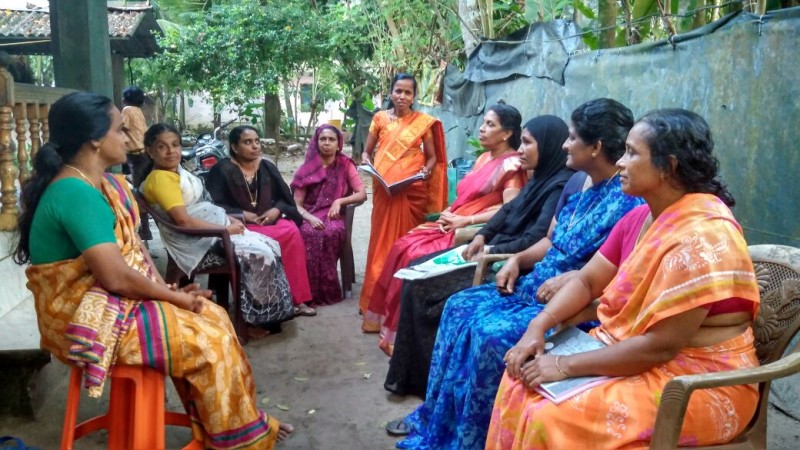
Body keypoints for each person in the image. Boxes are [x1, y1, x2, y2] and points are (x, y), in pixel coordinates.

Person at [15, 92, 293, 448]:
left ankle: (233, 425)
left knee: (215, 317)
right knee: (208, 339)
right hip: (83, 319)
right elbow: (116, 276)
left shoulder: (103, 184)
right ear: (95, 140)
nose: (129, 138)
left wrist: (169, 291)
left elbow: (134, 255)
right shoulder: (76, 193)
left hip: (108, 301)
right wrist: (173, 297)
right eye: (120, 130)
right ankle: (236, 436)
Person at [486, 109, 760, 449]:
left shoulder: (700, 238)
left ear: (668, 166)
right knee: (517, 380)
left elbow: (660, 346)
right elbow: (586, 282)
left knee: (553, 416)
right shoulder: (641, 217)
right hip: (640, 355)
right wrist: (538, 327)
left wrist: (564, 365)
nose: (620, 163)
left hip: (698, 381)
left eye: (631, 153)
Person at [392, 99, 643, 450]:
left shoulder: (630, 201)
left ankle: (474, 439)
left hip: (569, 304)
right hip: (533, 284)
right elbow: (551, 241)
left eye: (572, 138)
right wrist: (518, 260)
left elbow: (622, 278)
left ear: (596, 147)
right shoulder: (578, 184)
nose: (565, 145)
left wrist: (570, 278)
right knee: (457, 308)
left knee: (490, 336)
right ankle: (439, 420)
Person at [383, 113, 575, 399]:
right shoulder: (539, 178)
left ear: (546, 145)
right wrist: (482, 235)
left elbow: (535, 238)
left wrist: (490, 251)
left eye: (527, 143)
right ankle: (409, 375)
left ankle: (424, 382)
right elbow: (508, 210)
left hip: (508, 263)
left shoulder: (558, 186)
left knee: (426, 290)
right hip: (493, 249)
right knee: (415, 270)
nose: (521, 150)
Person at [363, 104, 529, 354]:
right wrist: (450, 212)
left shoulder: (511, 165)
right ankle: (392, 327)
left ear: (507, 133)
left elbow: (509, 209)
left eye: (490, 124)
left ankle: (403, 338)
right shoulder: (484, 158)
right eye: (483, 122)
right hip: (455, 220)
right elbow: (466, 197)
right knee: (402, 245)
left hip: (475, 230)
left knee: (414, 255)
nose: (482, 129)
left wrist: (465, 221)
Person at [141, 123, 293, 338]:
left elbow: (203, 207)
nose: (171, 151)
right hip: (196, 242)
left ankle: (263, 315)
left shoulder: (175, 173)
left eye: (175, 145)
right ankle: (252, 320)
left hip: (209, 234)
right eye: (162, 147)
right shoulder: (161, 178)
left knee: (269, 244)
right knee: (260, 254)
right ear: (149, 150)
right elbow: (183, 221)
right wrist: (225, 229)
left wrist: (228, 219)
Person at [358, 73, 448, 319]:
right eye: (398, 91)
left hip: (412, 190)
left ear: (414, 96)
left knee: (408, 242)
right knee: (381, 241)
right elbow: (366, 152)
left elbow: (432, 158)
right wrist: (368, 163)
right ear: (391, 92)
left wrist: (424, 172)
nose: (402, 96)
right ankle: (376, 299)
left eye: (408, 92)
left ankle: (403, 299)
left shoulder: (423, 123)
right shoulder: (379, 119)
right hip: (384, 189)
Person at [206, 125, 316, 316]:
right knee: (260, 243)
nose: (255, 146)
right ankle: (265, 305)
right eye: (248, 142)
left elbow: (285, 198)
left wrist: (276, 210)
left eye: (257, 141)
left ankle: (297, 300)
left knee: (290, 232)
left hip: (268, 221)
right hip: (239, 225)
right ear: (234, 147)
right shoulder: (221, 170)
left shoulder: (267, 166)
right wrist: (241, 214)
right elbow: (212, 206)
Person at [289, 124, 367, 306]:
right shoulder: (307, 168)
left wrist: (339, 201)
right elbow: (296, 204)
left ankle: (327, 289)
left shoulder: (345, 165)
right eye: (322, 139)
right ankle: (307, 292)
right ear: (316, 142)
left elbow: (362, 193)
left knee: (330, 232)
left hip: (334, 216)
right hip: (309, 214)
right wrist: (309, 218)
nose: (327, 143)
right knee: (307, 233)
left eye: (331, 139)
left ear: (338, 143)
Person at [121, 86, 152, 240]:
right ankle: (145, 229)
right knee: (142, 190)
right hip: (143, 154)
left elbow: (121, 127)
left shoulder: (127, 110)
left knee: (138, 194)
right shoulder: (138, 111)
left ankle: (144, 230)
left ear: (125, 99)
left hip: (136, 156)